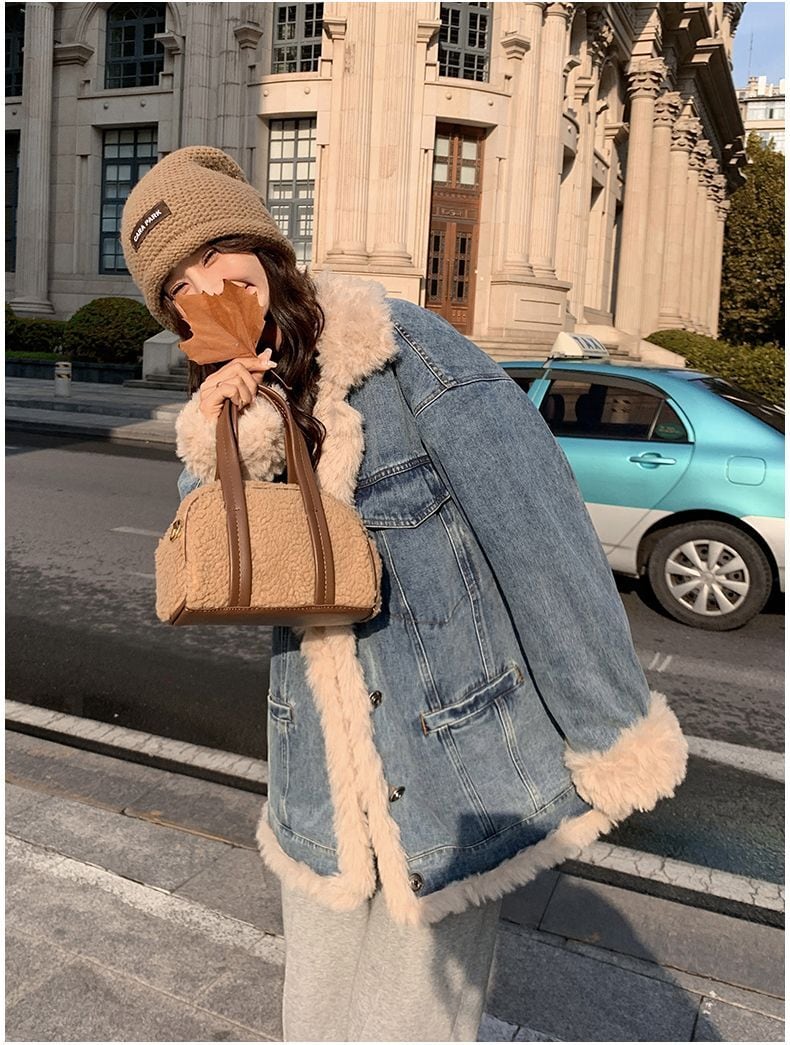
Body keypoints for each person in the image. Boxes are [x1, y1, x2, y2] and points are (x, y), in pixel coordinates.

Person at [121, 146, 688, 1042]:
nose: (206, 284)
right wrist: (225, 426)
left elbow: (540, 536)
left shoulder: (404, 353)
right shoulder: (233, 400)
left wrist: (610, 729)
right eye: (177, 286)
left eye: (213, 251)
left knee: (413, 1027)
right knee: (314, 1023)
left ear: (260, 243)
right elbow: (216, 565)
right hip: (317, 785)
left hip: (449, 773)